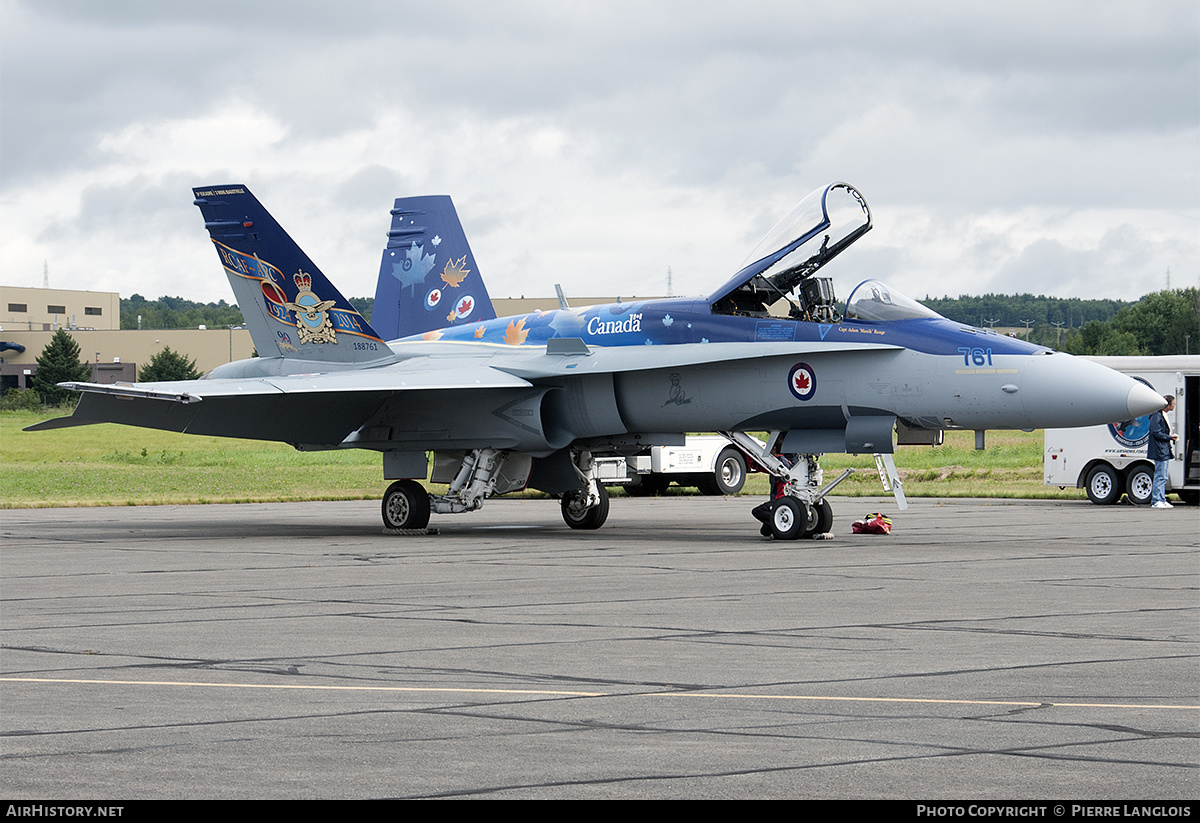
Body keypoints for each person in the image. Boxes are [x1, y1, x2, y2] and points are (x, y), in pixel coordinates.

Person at [1148, 395, 1178, 509]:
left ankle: (1162, 499)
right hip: (1159, 449)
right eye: (1173, 403)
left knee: (1164, 476)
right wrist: (1169, 437)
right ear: (1167, 404)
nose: (1174, 405)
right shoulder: (1157, 415)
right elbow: (1156, 432)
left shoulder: (1163, 415)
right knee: (1160, 475)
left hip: (1164, 449)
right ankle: (1156, 500)